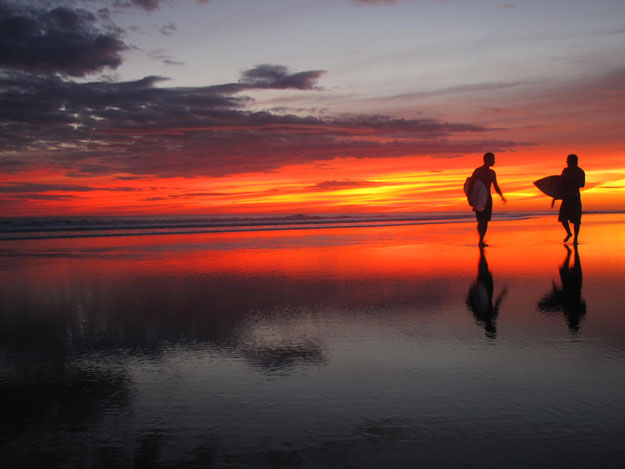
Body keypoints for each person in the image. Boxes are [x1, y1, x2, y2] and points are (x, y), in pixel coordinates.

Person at [468, 152, 506, 246]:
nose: (494, 161)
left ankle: (481, 240)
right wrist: (471, 199)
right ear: (486, 160)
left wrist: (501, 196)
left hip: (488, 199)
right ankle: (480, 240)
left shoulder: (492, 173)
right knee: (481, 220)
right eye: (492, 159)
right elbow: (471, 185)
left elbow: (495, 186)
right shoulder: (478, 171)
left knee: (485, 221)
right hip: (480, 199)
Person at [559, 154, 585, 244]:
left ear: (574, 162)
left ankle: (576, 238)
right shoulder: (565, 171)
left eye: (568, 161)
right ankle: (569, 233)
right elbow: (560, 182)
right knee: (563, 219)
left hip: (575, 198)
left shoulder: (580, 172)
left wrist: (572, 180)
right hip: (566, 197)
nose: (567, 163)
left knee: (576, 221)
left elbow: (582, 184)